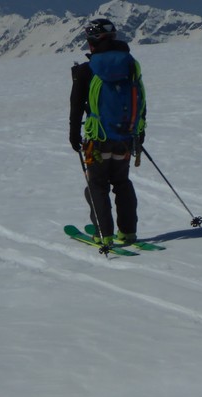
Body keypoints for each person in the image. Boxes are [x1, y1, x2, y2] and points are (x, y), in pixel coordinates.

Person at [69, 18, 147, 248]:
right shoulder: (131, 65)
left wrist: (74, 133)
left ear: (91, 42)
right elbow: (141, 98)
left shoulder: (86, 70)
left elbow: (76, 105)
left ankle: (104, 234)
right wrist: (139, 131)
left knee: (97, 185)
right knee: (122, 182)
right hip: (125, 136)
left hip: (97, 139)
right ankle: (128, 233)